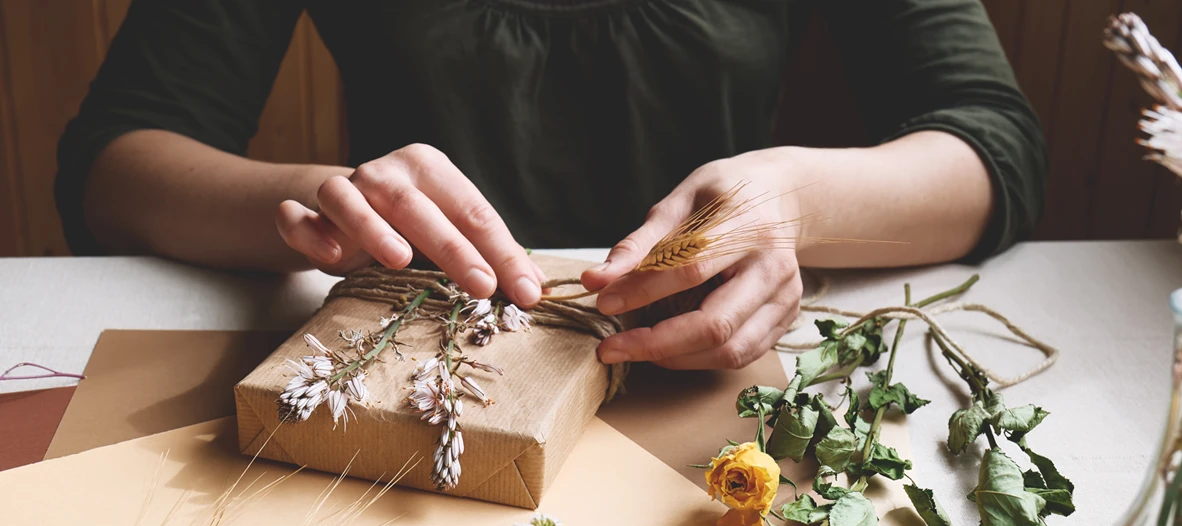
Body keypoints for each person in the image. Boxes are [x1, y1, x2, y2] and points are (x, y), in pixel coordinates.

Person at [56, 0, 1046, 371]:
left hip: (715, 381)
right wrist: (332, 200)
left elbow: (992, 146)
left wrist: (791, 201)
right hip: (409, 357)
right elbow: (112, 163)